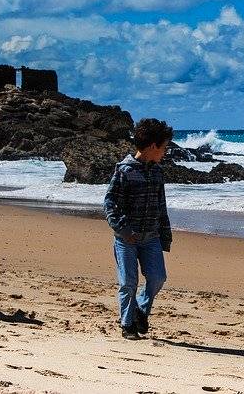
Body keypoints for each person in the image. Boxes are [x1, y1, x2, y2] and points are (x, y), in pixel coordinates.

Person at [104, 118, 173, 340]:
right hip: (126, 239)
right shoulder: (124, 170)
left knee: (157, 278)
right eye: (164, 147)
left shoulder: (157, 172)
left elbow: (161, 206)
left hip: (151, 236)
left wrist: (165, 233)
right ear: (153, 146)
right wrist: (124, 230)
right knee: (128, 282)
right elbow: (110, 203)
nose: (165, 152)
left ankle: (141, 310)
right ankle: (127, 325)